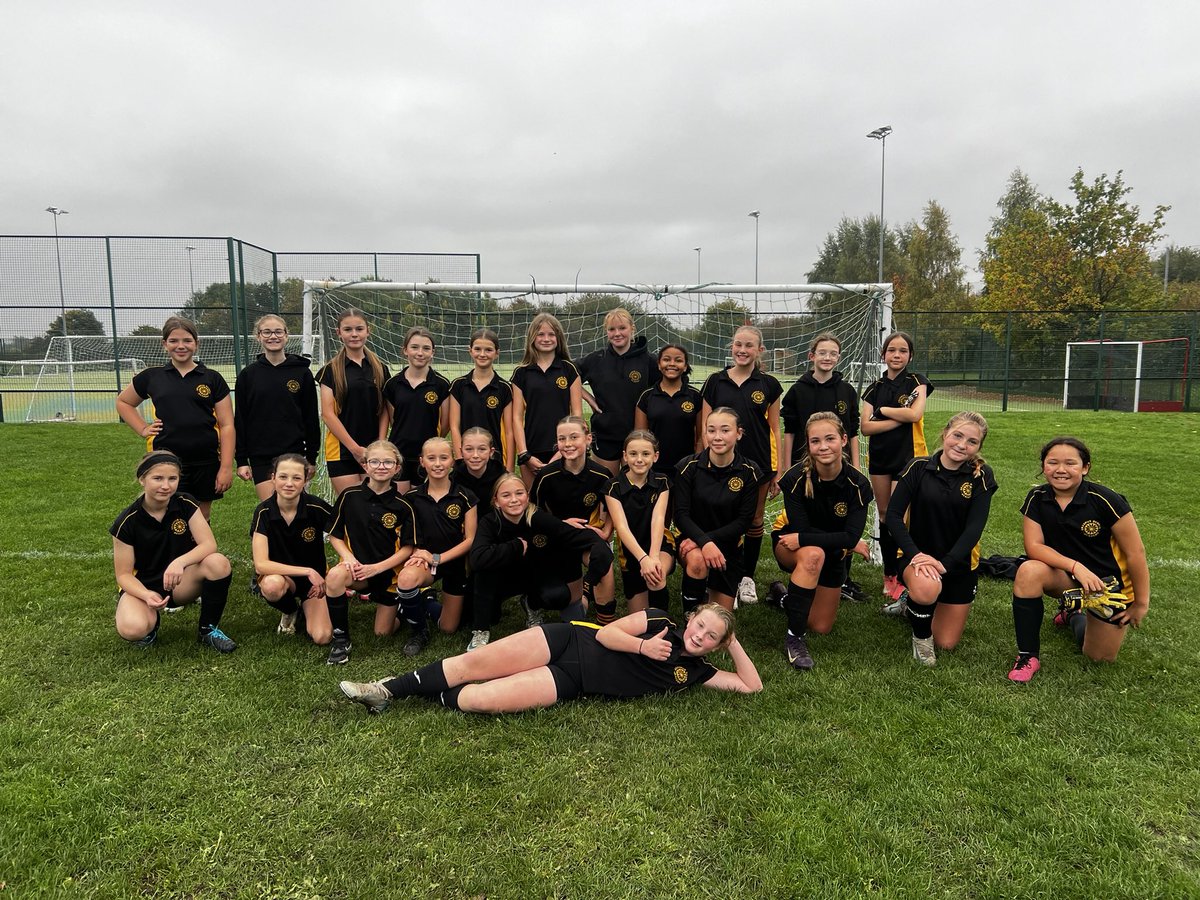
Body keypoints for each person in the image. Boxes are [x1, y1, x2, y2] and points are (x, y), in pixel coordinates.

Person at [338, 603, 762, 715]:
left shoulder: (699, 672)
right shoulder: (658, 621)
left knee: (477, 699)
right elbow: (610, 631)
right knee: (472, 664)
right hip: (566, 642)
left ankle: (421, 693)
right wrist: (642, 646)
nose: (699, 635)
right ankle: (386, 688)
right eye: (699, 625)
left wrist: (734, 640)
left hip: (573, 682)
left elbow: (750, 686)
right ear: (690, 617)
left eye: (711, 637)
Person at [1007, 437, 1150, 683]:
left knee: (1099, 658)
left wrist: (1140, 603)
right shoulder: (1037, 498)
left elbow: (1135, 553)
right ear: (1043, 466)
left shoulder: (1106, 500)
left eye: (1070, 463)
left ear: (1085, 468)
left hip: (1107, 588)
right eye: (1052, 462)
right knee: (1029, 571)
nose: (1061, 470)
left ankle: (1074, 615)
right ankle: (1027, 656)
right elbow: (1034, 547)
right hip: (1067, 577)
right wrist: (1075, 567)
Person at [885, 412, 996, 667]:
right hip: (917, 559)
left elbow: (974, 528)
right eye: (957, 435)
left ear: (978, 447)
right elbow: (892, 516)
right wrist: (916, 555)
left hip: (957, 564)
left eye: (972, 441)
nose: (961, 445)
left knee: (946, 641)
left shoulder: (981, 475)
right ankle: (921, 637)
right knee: (926, 588)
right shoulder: (918, 467)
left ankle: (909, 604)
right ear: (945, 433)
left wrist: (946, 563)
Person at [467, 474, 613, 652]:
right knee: (484, 577)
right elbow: (477, 559)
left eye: (519, 493)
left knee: (558, 596)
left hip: (531, 576)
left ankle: (532, 604)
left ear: (527, 497)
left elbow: (569, 534)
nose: (514, 500)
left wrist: (598, 545)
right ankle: (481, 629)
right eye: (506, 495)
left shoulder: (537, 517)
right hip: (501, 579)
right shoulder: (489, 522)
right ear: (496, 501)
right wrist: (516, 546)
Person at [772, 412, 872, 670]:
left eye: (830, 438)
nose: (823, 446)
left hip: (829, 549)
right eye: (816, 441)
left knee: (821, 626)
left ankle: (783, 597)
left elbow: (851, 536)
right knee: (813, 554)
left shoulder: (858, 485)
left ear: (843, 439)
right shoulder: (794, 479)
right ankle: (794, 639)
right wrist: (848, 543)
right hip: (791, 544)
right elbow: (802, 533)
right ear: (808, 445)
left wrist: (850, 542)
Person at [111, 451, 235, 652]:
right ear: (142, 479)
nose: (166, 486)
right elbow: (123, 575)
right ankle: (149, 623)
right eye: (157, 478)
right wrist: (145, 595)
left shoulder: (185, 503)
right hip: (144, 586)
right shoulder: (126, 522)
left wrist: (180, 562)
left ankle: (208, 629)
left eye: (172, 478)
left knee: (217, 562)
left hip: (180, 581)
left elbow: (209, 544)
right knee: (132, 629)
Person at [116, 317, 234, 520]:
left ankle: (200, 551)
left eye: (187, 340)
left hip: (205, 459)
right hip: (165, 458)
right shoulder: (152, 376)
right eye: (174, 341)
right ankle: (170, 551)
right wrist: (143, 429)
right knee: (165, 510)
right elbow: (124, 402)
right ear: (165, 344)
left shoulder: (212, 378)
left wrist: (225, 467)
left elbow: (227, 425)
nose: (181, 346)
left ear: (196, 344)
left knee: (201, 515)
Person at [700, 325, 783, 606]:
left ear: (759, 350)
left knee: (754, 520)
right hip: (719, 464)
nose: (742, 350)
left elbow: (774, 428)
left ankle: (745, 578)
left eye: (749, 345)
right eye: (738, 345)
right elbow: (705, 425)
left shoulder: (769, 384)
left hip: (757, 464)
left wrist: (776, 470)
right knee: (722, 519)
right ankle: (722, 579)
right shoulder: (715, 381)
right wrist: (704, 460)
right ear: (731, 347)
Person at [779, 332, 865, 604]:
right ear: (812, 356)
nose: (827, 357)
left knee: (841, 518)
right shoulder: (797, 391)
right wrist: (784, 467)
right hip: (804, 467)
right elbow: (789, 432)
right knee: (807, 520)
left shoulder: (846, 391)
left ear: (838, 358)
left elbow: (852, 432)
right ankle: (805, 574)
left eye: (833, 353)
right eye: (822, 352)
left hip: (839, 467)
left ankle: (842, 579)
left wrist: (857, 464)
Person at [860, 331, 934, 610]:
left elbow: (915, 415)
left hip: (908, 458)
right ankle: (889, 575)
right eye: (892, 350)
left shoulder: (918, 382)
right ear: (884, 354)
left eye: (903, 351)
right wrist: (896, 414)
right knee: (882, 514)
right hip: (881, 458)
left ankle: (908, 570)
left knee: (900, 517)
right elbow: (866, 427)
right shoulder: (873, 388)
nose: (897, 355)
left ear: (910, 356)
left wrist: (884, 411)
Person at [323, 440, 413, 666]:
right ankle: (341, 638)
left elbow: (408, 548)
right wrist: (348, 558)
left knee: (382, 633)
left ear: (397, 468)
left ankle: (404, 608)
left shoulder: (403, 506)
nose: (381, 466)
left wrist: (378, 567)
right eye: (374, 461)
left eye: (387, 462)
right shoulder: (349, 496)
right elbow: (335, 535)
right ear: (365, 466)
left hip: (388, 576)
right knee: (334, 576)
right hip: (358, 572)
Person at [529, 415, 617, 624]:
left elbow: (615, 508)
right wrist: (560, 524)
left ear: (588, 439)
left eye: (574, 437)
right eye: (562, 439)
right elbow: (533, 511)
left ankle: (605, 622)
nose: (567, 444)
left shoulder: (602, 475)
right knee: (555, 598)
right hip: (554, 535)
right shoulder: (546, 476)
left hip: (584, 535)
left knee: (603, 558)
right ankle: (533, 602)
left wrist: (606, 531)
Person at [673, 407, 762, 612]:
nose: (717, 437)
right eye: (711, 430)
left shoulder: (750, 471)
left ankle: (706, 588)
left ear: (738, 433)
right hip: (691, 541)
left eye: (725, 430)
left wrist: (708, 541)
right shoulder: (687, 467)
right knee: (697, 561)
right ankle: (690, 616)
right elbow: (681, 516)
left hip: (728, 545)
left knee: (720, 620)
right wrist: (703, 542)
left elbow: (744, 521)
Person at [395, 437, 478, 655]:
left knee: (449, 627)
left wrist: (439, 557)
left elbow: (470, 539)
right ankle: (419, 631)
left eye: (444, 457)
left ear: (453, 461)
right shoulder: (411, 498)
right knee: (406, 578)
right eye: (431, 458)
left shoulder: (466, 497)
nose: (438, 463)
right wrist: (419, 553)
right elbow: (407, 536)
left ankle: (422, 601)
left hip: (454, 562)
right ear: (422, 462)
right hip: (424, 561)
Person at [233, 314, 321, 501]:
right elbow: (240, 420)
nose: (273, 336)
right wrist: (241, 460)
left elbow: (311, 418)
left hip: (294, 453)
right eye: (267, 332)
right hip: (261, 455)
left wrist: (311, 458)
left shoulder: (302, 373)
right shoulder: (248, 375)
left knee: (295, 510)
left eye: (278, 331)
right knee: (271, 511)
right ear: (258, 336)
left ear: (286, 335)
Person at [249, 453, 334, 642]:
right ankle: (290, 609)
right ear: (273, 478)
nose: (289, 483)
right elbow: (261, 565)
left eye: (296, 478)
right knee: (272, 586)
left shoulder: (316, 507)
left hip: (314, 583)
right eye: (283, 477)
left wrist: (337, 571)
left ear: (305, 480)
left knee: (322, 637)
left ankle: (308, 607)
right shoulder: (263, 512)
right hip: (283, 578)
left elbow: (345, 531)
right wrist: (307, 571)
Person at [577, 308, 659, 475]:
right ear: (606, 332)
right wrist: (588, 398)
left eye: (622, 328)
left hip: (638, 436)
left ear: (632, 328)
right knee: (607, 487)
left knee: (635, 490)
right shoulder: (596, 359)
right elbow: (567, 373)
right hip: (606, 434)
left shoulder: (648, 360)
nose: (617, 333)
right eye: (611, 329)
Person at [318, 308, 390, 496]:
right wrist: (355, 449)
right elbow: (327, 414)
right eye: (348, 329)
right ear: (339, 333)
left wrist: (380, 444)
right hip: (341, 451)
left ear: (368, 330)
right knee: (351, 509)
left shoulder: (380, 368)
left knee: (374, 508)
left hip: (373, 451)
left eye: (359, 329)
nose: (354, 334)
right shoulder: (330, 370)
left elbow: (384, 410)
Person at [605, 430, 675, 614]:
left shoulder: (662, 482)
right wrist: (643, 559)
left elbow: (658, 519)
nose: (639, 459)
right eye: (633, 454)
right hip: (631, 553)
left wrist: (652, 558)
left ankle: (663, 626)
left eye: (646, 454)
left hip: (659, 546)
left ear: (655, 456)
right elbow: (621, 527)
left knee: (656, 577)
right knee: (639, 617)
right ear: (625, 456)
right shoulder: (612, 487)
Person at [511, 313, 582, 488]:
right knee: (534, 504)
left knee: (561, 503)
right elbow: (517, 418)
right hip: (531, 450)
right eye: (541, 334)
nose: (546, 338)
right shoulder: (521, 373)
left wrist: (563, 451)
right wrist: (524, 454)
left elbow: (577, 416)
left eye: (551, 334)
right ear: (532, 338)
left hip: (565, 450)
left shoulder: (569, 369)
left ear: (558, 338)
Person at [381, 326, 451, 493]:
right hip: (399, 453)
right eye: (414, 347)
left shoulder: (441, 385)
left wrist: (431, 446)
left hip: (427, 456)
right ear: (405, 350)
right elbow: (393, 420)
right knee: (400, 503)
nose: (420, 353)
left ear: (433, 352)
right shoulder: (393, 385)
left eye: (426, 348)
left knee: (422, 505)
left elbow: (445, 424)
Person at [633, 343, 704, 482]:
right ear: (659, 365)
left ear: (685, 366)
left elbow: (701, 436)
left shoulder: (695, 396)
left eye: (678, 360)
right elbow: (640, 437)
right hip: (654, 467)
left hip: (686, 467)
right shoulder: (647, 397)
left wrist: (697, 463)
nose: (672, 364)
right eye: (666, 359)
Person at [448, 328, 514, 470]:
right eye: (477, 349)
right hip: (467, 458)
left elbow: (509, 431)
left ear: (497, 353)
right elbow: (454, 426)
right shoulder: (458, 385)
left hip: (494, 458)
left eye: (488, 350)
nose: (482, 354)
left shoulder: (504, 388)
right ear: (470, 351)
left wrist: (509, 467)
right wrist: (460, 459)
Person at [452, 426, 508, 511]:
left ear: (491, 452)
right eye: (469, 449)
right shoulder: (453, 479)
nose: (475, 455)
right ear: (461, 451)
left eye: (482, 449)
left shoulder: (502, 477)